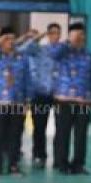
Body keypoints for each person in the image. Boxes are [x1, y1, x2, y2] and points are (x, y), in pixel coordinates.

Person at [0, 29, 35, 175]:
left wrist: (27, 100)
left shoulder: (21, 58)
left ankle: (13, 165)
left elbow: (28, 79)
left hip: (17, 101)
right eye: (7, 38)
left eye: (12, 38)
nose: (10, 42)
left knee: (15, 134)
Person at [51, 22, 91, 175]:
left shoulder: (89, 56)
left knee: (81, 135)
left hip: (84, 100)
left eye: (82, 34)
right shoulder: (62, 52)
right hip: (64, 100)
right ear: (69, 36)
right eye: (76, 34)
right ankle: (62, 163)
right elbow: (53, 55)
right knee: (63, 133)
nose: (79, 37)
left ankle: (78, 164)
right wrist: (68, 43)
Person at [28, 23, 61, 166]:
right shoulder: (40, 50)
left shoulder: (63, 51)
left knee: (61, 127)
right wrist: (37, 38)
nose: (55, 36)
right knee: (39, 126)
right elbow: (25, 49)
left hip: (59, 94)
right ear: (48, 34)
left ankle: (59, 156)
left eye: (57, 33)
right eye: (52, 33)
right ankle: (39, 153)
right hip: (40, 93)